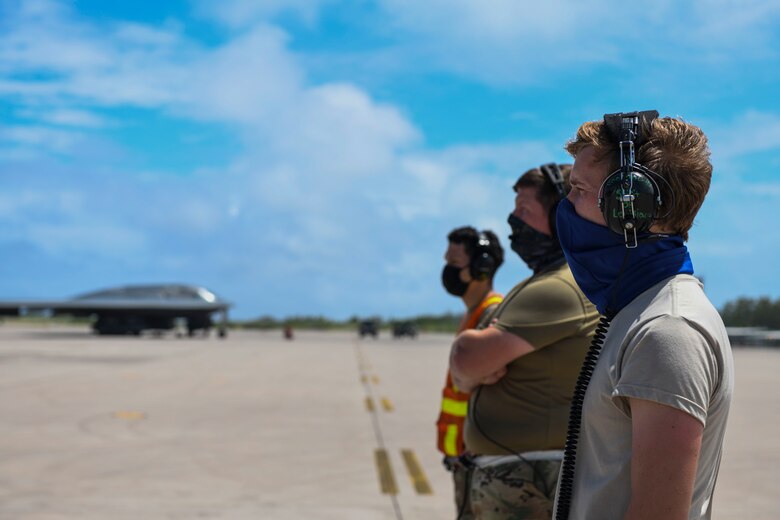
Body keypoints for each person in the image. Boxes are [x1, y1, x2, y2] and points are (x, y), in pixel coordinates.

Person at [551, 111, 734, 520]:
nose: (566, 205)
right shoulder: (637, 312)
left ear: (628, 208)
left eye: (579, 188)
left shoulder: (667, 331)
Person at [448, 164, 599, 519]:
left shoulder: (560, 287)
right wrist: (470, 369)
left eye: (524, 210)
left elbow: (465, 360)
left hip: (527, 477)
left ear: (561, 215)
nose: (513, 220)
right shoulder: (541, 283)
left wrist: (471, 366)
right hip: (515, 472)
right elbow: (464, 373)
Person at [437, 226, 505, 520]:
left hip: (477, 460)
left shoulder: (492, 314)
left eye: (454, 264)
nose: (447, 271)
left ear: (481, 268)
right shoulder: (471, 314)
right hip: (464, 458)